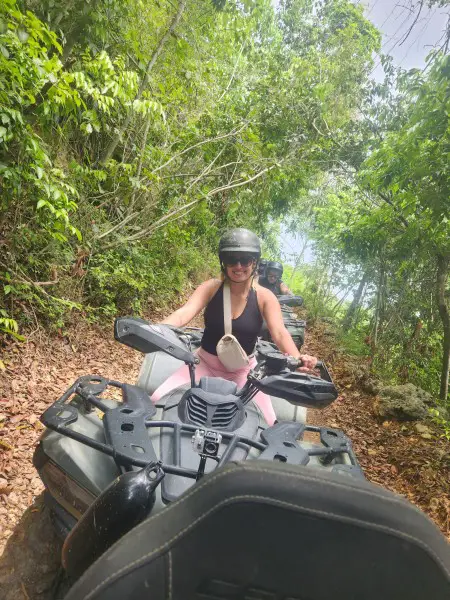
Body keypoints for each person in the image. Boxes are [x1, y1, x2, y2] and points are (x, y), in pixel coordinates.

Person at [151, 229, 317, 425]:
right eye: (232, 259)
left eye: (245, 259)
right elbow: (183, 313)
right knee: (156, 401)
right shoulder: (211, 288)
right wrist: (156, 329)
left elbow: (280, 333)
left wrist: (298, 358)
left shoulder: (265, 297)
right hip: (204, 364)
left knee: (268, 424)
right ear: (223, 262)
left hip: (244, 372)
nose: (238, 266)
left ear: (254, 262)